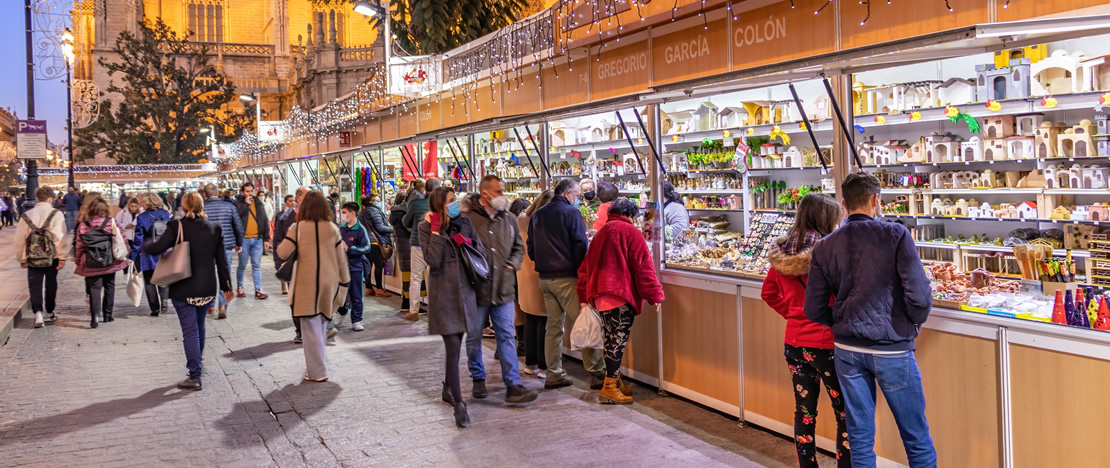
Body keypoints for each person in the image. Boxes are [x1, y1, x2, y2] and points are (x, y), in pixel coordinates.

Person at [804, 172, 936, 468]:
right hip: (892, 348)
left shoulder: (825, 245)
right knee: (915, 436)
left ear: (843, 205)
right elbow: (919, 296)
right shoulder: (895, 234)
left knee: (860, 438)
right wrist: (911, 324)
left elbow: (812, 308)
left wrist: (840, 320)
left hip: (847, 351)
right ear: (876, 200)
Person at [761, 193, 851, 467]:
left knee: (805, 412)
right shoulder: (829, 253)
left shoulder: (782, 254)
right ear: (826, 219)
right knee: (845, 415)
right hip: (827, 345)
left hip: (795, 345)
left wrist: (793, 313)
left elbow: (769, 293)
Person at [576, 198, 665, 404]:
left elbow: (585, 267)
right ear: (632, 215)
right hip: (619, 294)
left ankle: (615, 382)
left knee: (610, 340)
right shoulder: (631, 232)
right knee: (617, 340)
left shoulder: (601, 233)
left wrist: (584, 297)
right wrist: (655, 295)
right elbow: (644, 267)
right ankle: (609, 388)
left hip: (600, 295)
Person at [144, 192, 234, 391]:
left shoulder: (176, 227)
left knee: (190, 331)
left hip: (184, 286)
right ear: (202, 206)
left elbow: (155, 248)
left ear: (183, 207)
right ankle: (197, 365)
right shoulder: (214, 228)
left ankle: (194, 375)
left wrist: (147, 238)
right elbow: (222, 262)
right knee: (199, 326)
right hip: (207, 287)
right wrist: (227, 287)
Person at [461, 176, 538, 403]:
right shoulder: (467, 219)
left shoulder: (510, 218)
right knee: (474, 337)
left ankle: (513, 385)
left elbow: (518, 248)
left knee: (506, 335)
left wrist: (512, 264)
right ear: (486, 194)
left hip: (503, 289)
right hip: (477, 290)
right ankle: (477, 378)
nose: (503, 195)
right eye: (499, 191)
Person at [528, 179, 604, 389]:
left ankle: (553, 374)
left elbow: (531, 248)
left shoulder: (537, 215)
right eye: (577, 195)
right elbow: (581, 245)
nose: (578, 199)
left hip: (545, 279)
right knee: (585, 322)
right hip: (567, 278)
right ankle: (596, 372)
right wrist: (583, 273)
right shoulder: (571, 213)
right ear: (568, 194)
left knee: (553, 328)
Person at [419, 187, 483, 427]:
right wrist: (436, 231)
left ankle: (448, 388)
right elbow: (432, 260)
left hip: (465, 293)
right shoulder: (425, 227)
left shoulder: (464, 222)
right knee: (454, 347)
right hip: (443, 296)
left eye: (455, 199)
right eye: (451, 200)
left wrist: (465, 242)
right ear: (439, 205)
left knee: (459, 343)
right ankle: (459, 404)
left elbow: (480, 251)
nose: (456, 203)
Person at [277, 191, 349, 382]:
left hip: (305, 283)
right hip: (329, 282)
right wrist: (345, 282)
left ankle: (318, 372)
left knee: (309, 329)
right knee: (321, 323)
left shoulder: (297, 228)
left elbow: (283, 253)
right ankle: (320, 365)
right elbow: (341, 259)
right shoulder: (332, 228)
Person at [74, 195, 130, 328]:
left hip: (90, 262)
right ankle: (108, 315)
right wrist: (126, 252)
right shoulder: (112, 222)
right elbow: (122, 239)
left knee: (94, 288)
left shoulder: (83, 225)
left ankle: (94, 316)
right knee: (110, 286)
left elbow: (79, 246)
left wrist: (78, 261)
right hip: (109, 261)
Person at [17, 186, 66, 328]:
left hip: (32, 257)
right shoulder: (56, 214)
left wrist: (21, 258)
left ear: (37, 198)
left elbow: (20, 239)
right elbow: (59, 237)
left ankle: (37, 312)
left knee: (35, 285)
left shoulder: (27, 215)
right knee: (51, 284)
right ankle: (50, 311)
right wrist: (61, 256)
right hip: (52, 257)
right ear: (50, 199)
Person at [517, 191, 553, 378]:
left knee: (530, 319)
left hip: (523, 274)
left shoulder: (522, 218)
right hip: (540, 272)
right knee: (545, 321)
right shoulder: (542, 221)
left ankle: (530, 363)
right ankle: (544, 364)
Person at [274, 187, 310, 342]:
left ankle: (313, 329)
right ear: (299, 197)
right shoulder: (284, 217)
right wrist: (280, 263)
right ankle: (300, 331)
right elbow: (278, 240)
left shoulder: (317, 216)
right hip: (292, 264)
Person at [204, 184, 244, 318]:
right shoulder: (230, 207)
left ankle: (210, 304)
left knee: (208, 275)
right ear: (218, 193)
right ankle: (222, 304)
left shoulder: (201, 208)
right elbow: (238, 226)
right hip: (225, 245)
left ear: (205, 195)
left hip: (206, 246)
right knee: (224, 274)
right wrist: (239, 243)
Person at [131, 192, 172, 316]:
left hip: (148, 252)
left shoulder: (142, 217)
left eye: (141, 201)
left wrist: (133, 255)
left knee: (149, 281)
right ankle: (164, 300)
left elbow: (138, 238)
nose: (140, 204)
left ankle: (154, 308)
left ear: (147, 202)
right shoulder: (165, 214)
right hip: (163, 251)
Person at [404, 177, 440, 316]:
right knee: (435, 278)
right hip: (435, 245)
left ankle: (413, 310)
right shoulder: (441, 205)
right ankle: (436, 311)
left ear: (425, 189)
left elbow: (406, 222)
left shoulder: (415, 204)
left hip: (417, 243)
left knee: (416, 278)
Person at [336, 201, 373, 332]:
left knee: (356, 295)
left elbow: (367, 247)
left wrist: (350, 249)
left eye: (345, 212)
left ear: (352, 213)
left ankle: (357, 319)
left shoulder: (361, 229)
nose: (342, 215)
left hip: (356, 267)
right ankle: (342, 311)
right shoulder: (341, 229)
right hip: (341, 267)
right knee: (339, 294)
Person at [235, 182, 271, 300]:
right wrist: (246, 204)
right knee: (242, 265)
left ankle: (258, 289)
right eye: (247, 191)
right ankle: (240, 287)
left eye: (251, 191)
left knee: (256, 265)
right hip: (244, 240)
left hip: (257, 239)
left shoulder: (258, 203)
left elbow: (264, 220)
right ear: (242, 192)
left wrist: (266, 238)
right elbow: (237, 217)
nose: (250, 193)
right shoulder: (238, 204)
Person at [389, 191, 418, 320]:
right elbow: (410, 229)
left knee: (406, 277)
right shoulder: (404, 214)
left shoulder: (395, 213)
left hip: (401, 247)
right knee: (412, 278)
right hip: (410, 247)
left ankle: (405, 303)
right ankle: (410, 304)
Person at [358, 194, 393, 298]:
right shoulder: (374, 211)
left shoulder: (362, 212)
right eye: (377, 200)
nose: (379, 202)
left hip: (366, 242)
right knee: (379, 265)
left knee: (368, 265)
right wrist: (395, 230)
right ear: (371, 202)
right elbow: (380, 227)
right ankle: (379, 288)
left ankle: (368, 288)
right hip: (374, 242)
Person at [273, 192, 299, 296]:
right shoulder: (282, 217)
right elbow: (278, 239)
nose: (292, 203)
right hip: (290, 256)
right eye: (290, 201)